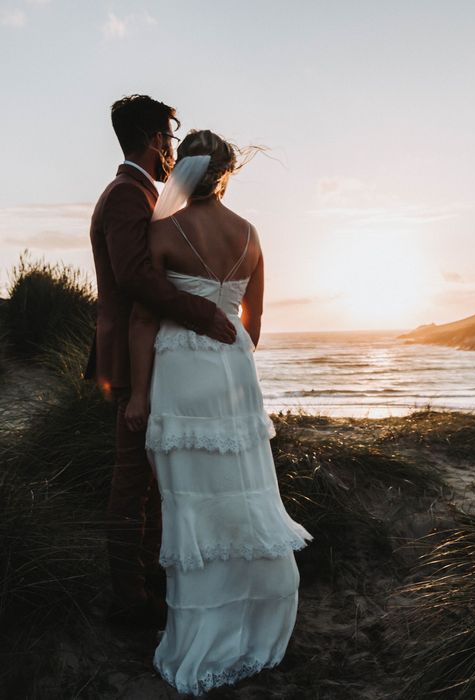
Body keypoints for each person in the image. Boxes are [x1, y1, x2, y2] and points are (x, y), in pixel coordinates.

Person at [124, 129, 313, 695]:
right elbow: (252, 327)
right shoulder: (251, 235)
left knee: (192, 505)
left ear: (183, 168)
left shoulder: (162, 230)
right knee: (243, 494)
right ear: (227, 173)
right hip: (235, 374)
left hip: (182, 376)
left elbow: (141, 320)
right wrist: (226, 342)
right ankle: (255, 628)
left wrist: (137, 395)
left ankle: (201, 632)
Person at [85, 95, 238, 629]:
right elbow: (133, 277)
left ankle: (146, 583)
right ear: (155, 140)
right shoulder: (128, 197)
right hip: (130, 361)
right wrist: (200, 311)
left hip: (147, 357)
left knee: (150, 481)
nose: (173, 148)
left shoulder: (141, 194)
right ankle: (128, 600)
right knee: (132, 482)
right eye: (169, 138)